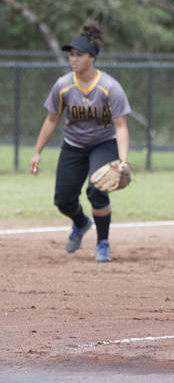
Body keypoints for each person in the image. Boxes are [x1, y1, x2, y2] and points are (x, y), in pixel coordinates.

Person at [30, 20, 131, 262]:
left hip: (103, 144)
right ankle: (81, 222)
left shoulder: (109, 87)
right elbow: (52, 120)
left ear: (92, 58)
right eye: (71, 55)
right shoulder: (63, 86)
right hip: (73, 145)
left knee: (96, 189)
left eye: (79, 55)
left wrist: (123, 160)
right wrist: (37, 152)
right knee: (63, 200)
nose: (73, 59)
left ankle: (103, 243)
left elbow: (121, 126)